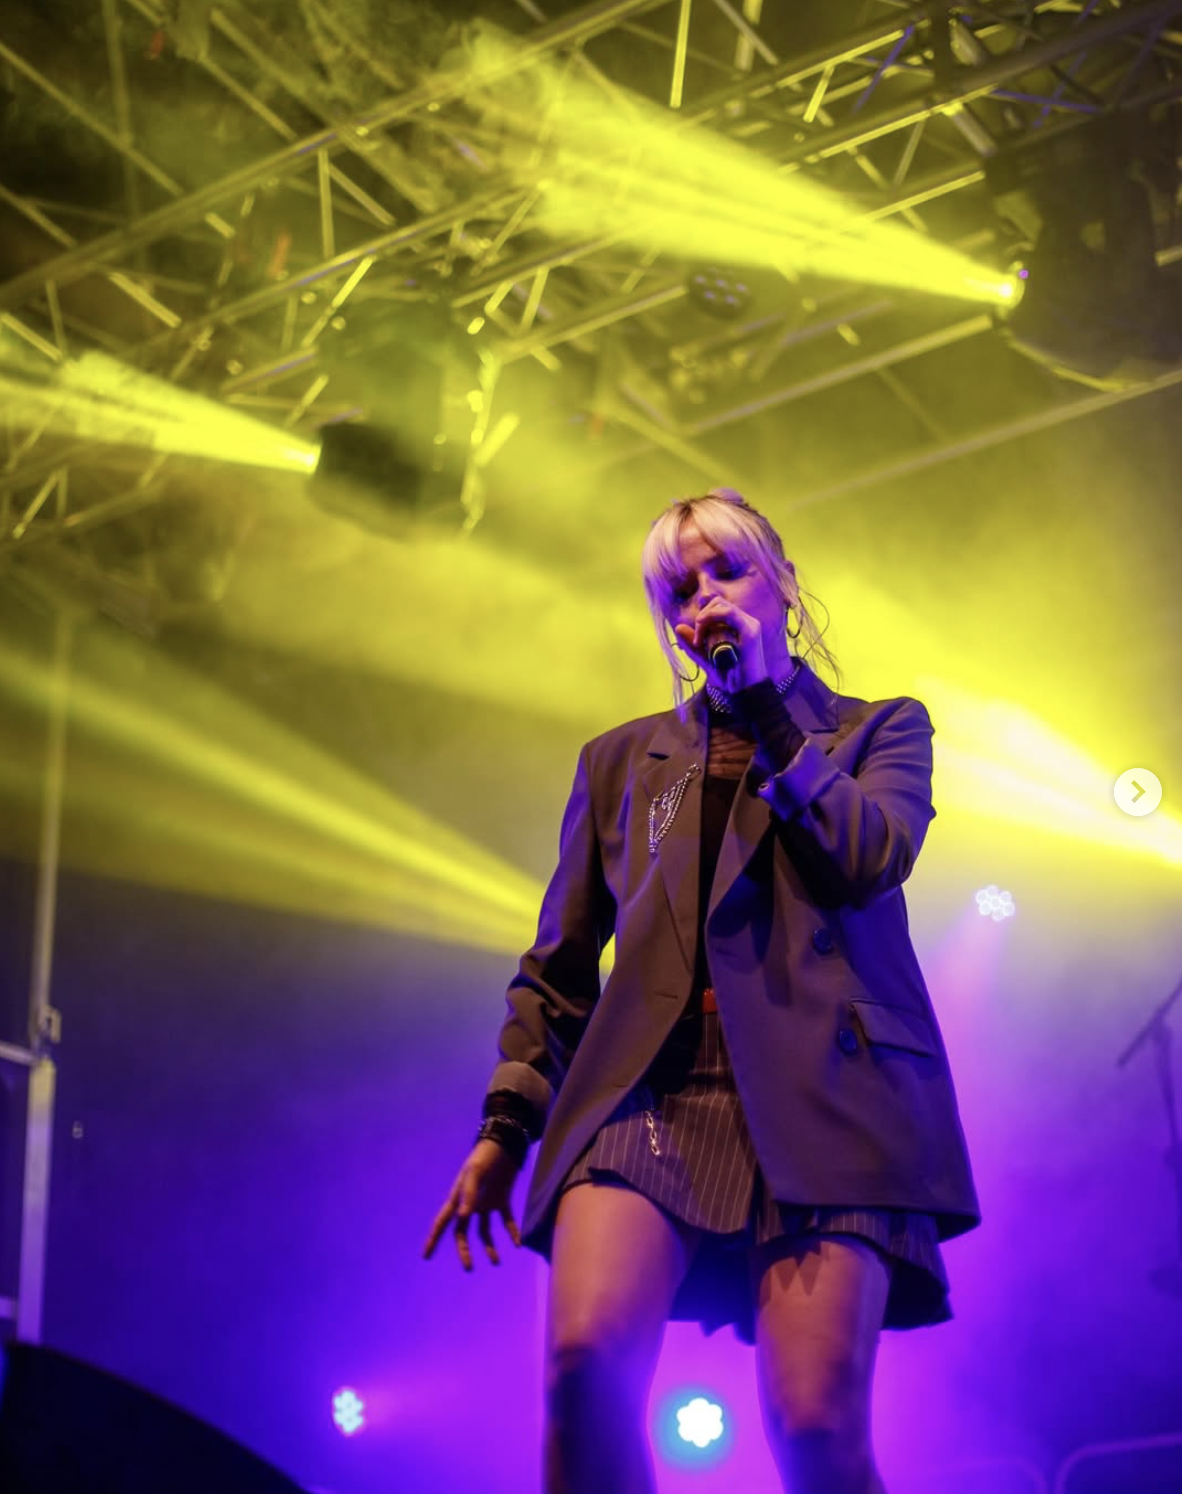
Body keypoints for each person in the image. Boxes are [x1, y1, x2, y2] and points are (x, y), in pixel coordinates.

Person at [424, 488, 980, 1494]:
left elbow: (867, 853)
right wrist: (505, 1127)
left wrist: (769, 708)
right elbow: (559, 965)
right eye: (681, 588)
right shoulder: (623, 762)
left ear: (784, 585)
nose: (707, 600)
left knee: (814, 1426)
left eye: (728, 571)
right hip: (649, 1097)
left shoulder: (879, 729)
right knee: (584, 1367)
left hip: (829, 1098)